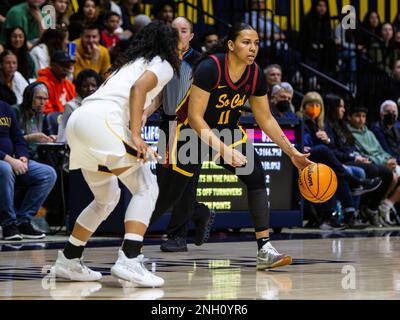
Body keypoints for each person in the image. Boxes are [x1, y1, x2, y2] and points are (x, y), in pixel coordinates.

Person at [154, 23, 311, 269]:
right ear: (231, 45)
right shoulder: (210, 68)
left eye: (256, 43)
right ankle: (129, 247)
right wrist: (223, 150)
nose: (253, 48)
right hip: (187, 132)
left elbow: (266, 118)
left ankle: (264, 249)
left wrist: (291, 152)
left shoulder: (255, 73)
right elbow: (195, 118)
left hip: (226, 131)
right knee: (165, 198)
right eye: (246, 42)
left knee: (256, 175)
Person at [51, 21, 180, 287]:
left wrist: (143, 114)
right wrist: (135, 135)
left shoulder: (128, 64)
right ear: (170, 44)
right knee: (147, 186)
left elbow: (144, 95)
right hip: (103, 123)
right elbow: (138, 90)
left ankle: (69, 259)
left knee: (106, 198)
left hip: (80, 121)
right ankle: (129, 259)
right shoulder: (163, 63)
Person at [142, 17, 214, 252]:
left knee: (185, 183)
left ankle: (178, 236)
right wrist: (144, 113)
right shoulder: (163, 62)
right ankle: (200, 211)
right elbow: (160, 95)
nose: (178, 34)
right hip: (167, 125)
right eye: (174, 30)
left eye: (184, 31)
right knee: (164, 184)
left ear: (191, 36)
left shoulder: (201, 62)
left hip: (192, 128)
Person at [0, 100, 57, 240]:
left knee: (48, 173)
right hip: (6, 162)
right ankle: (8, 224)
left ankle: (23, 221)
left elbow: (18, 138)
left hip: (13, 160)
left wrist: (22, 157)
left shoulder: (4, 107)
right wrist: (9, 159)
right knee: (6, 169)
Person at [58, 69, 101, 142]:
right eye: (85, 86)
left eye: (93, 85)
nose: (90, 89)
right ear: (78, 88)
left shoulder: (100, 105)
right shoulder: (71, 107)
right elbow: (63, 134)